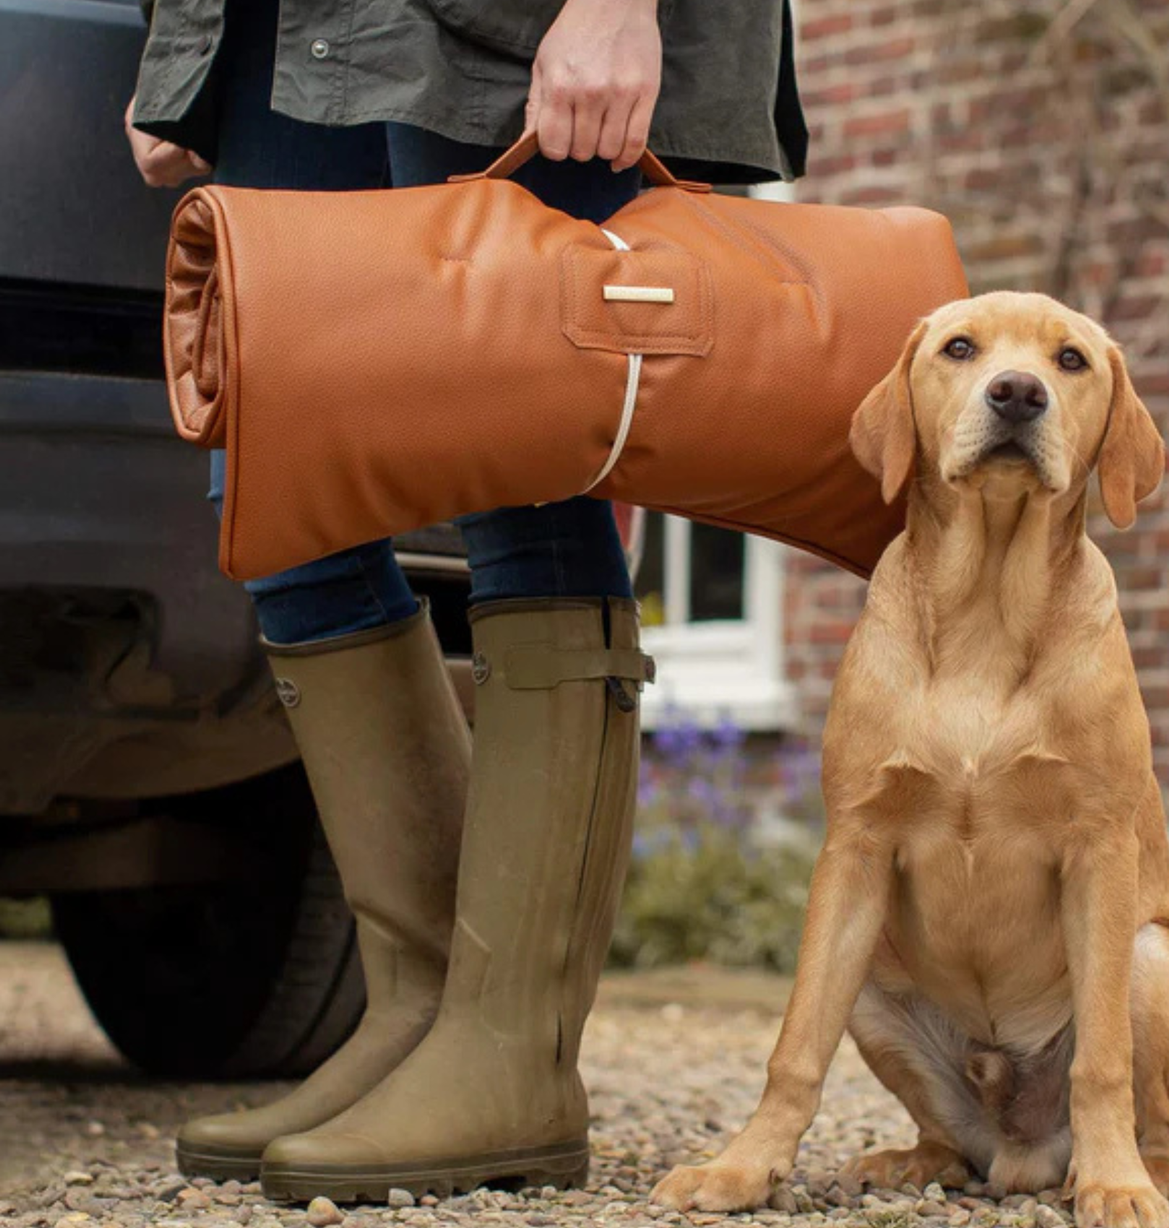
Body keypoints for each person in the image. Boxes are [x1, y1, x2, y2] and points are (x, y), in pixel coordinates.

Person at [125, 0, 807, 1203]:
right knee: (283, 481)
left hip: (507, 22)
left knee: (523, 453)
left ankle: (512, 1059)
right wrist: (178, 45)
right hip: (289, 27)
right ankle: (421, 1013)